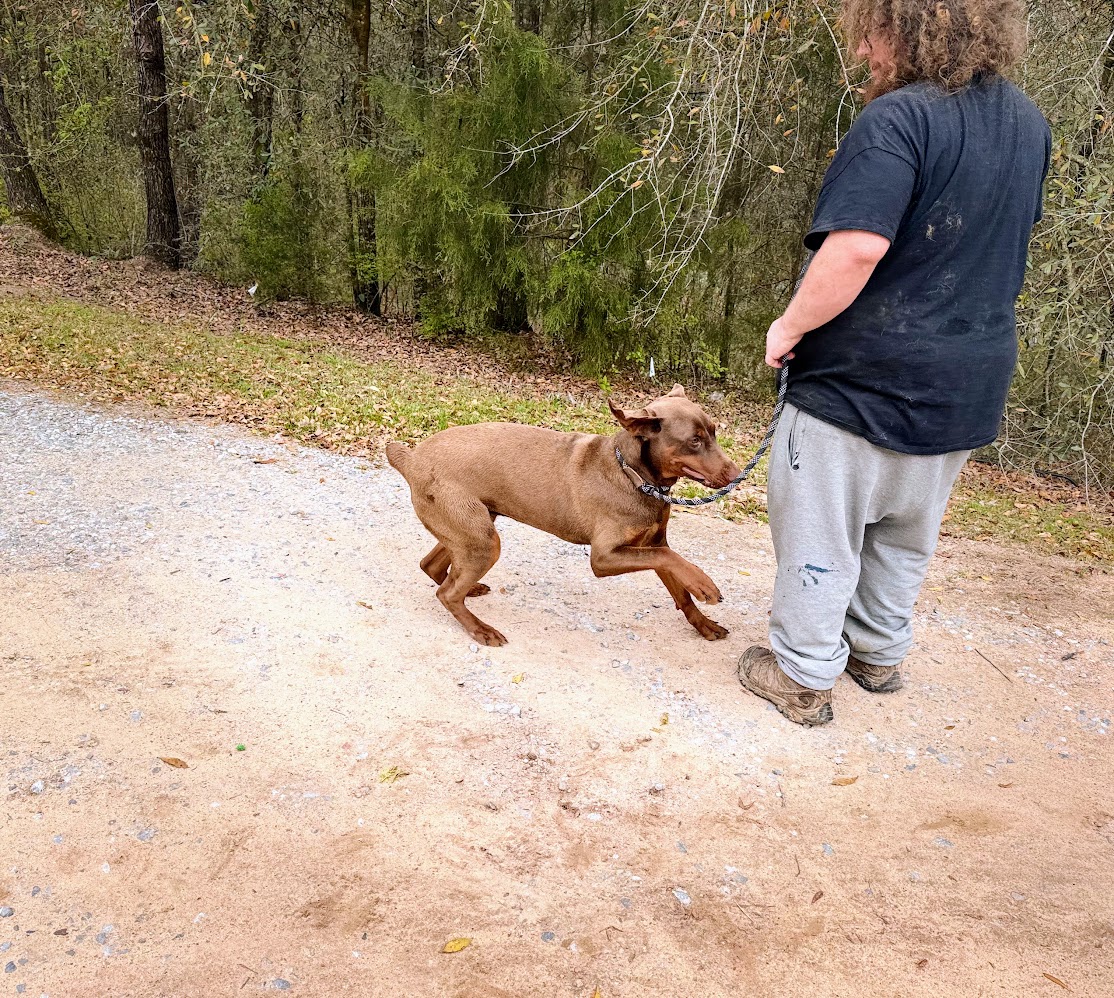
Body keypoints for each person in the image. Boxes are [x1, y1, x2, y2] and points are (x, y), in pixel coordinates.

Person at [736, 0, 1051, 726]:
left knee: (821, 526)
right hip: (968, 381)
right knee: (906, 530)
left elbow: (856, 247)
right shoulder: (1029, 123)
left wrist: (788, 325)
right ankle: (877, 653)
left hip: (863, 379)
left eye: (870, 34)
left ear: (905, 26)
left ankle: (803, 675)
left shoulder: (897, 120)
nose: (862, 53)